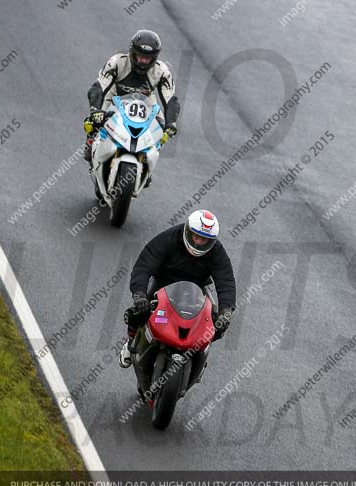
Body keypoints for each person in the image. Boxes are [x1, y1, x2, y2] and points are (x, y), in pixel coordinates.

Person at [119, 210, 236, 368]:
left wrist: (226, 310)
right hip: (164, 281)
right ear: (187, 231)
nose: (199, 242)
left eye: (205, 240)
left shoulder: (216, 251)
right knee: (139, 310)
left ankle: (200, 355)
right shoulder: (169, 238)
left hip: (197, 288)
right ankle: (131, 342)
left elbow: (225, 280)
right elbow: (145, 263)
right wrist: (139, 293)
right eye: (196, 236)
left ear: (212, 241)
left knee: (218, 324)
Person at [84, 29, 181, 178]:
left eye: (147, 59)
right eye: (140, 57)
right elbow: (98, 87)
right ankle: (91, 143)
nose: (142, 61)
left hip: (146, 100)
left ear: (154, 57)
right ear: (132, 52)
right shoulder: (117, 62)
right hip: (115, 95)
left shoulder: (162, 72)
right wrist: (95, 110)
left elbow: (171, 99)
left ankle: (146, 163)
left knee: (161, 130)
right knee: (95, 121)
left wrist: (171, 123)